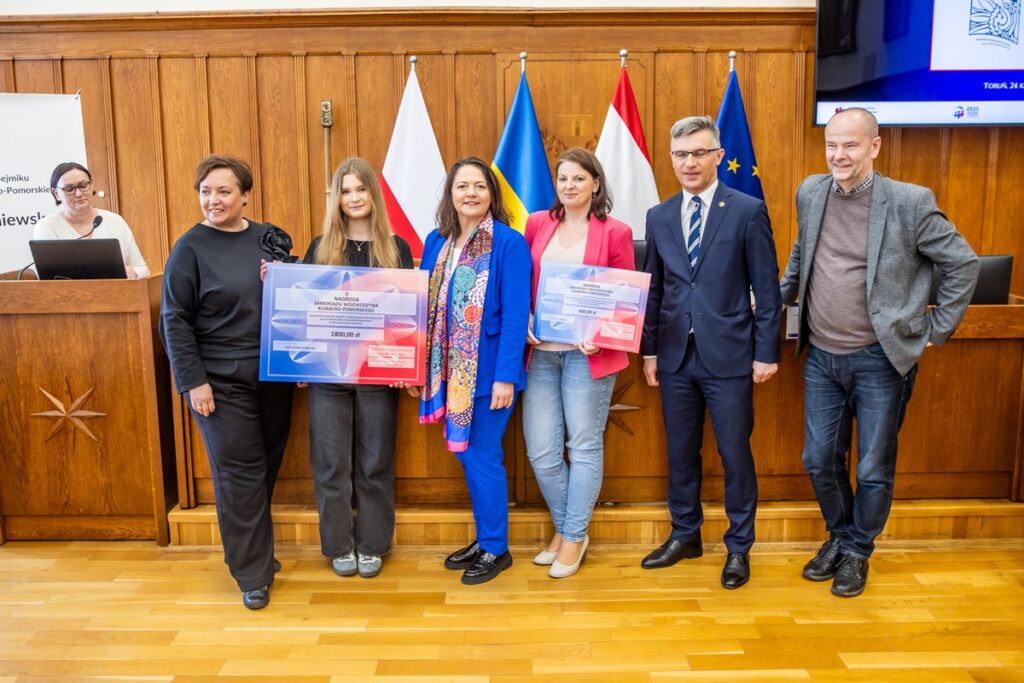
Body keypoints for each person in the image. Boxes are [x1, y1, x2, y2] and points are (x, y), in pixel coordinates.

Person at [780, 107, 979, 598]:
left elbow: (963, 264)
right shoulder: (811, 190)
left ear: (874, 146)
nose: (838, 155)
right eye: (832, 145)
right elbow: (804, 250)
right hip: (822, 356)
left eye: (850, 145)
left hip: (881, 360)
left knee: (872, 467)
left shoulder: (910, 202)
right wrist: (781, 294)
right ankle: (841, 534)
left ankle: (857, 551)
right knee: (818, 459)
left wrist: (935, 330)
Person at [640, 115, 781, 589]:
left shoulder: (746, 210)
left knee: (734, 454)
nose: (690, 162)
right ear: (672, 158)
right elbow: (655, 291)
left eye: (700, 153)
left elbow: (767, 287)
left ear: (718, 156)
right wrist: (650, 352)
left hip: (731, 357)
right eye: (681, 154)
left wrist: (767, 353)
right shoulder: (658, 216)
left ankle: (739, 548)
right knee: (681, 453)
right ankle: (686, 535)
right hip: (676, 356)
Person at [160, 154, 295, 610]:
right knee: (239, 473)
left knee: (266, 465)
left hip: (274, 376)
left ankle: (256, 552)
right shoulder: (190, 248)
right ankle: (252, 574)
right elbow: (174, 319)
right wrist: (193, 381)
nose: (212, 200)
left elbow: (294, 299)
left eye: (222, 191)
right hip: (218, 382)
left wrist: (283, 279)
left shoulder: (268, 238)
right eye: (205, 192)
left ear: (245, 196)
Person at [418, 156, 531, 585]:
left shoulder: (509, 243)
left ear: (491, 194)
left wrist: (506, 376)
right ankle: (486, 539)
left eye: (479, 186)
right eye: (462, 185)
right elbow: (424, 306)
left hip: (486, 378)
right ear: (451, 194)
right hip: (448, 374)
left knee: (482, 457)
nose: (471, 193)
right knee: (469, 458)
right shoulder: (436, 240)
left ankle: (497, 549)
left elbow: (518, 313)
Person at [522, 147, 635, 579]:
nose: (569, 186)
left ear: (596, 184)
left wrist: (601, 334)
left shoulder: (616, 232)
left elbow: (624, 300)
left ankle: (571, 538)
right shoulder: (537, 224)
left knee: (583, 447)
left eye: (578, 178)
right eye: (562, 178)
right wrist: (526, 320)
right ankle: (571, 530)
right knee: (542, 452)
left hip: (588, 358)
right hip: (542, 354)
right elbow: (523, 285)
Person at [298, 157, 413, 579]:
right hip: (329, 373)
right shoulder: (320, 247)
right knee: (331, 462)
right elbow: (306, 309)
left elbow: (406, 316)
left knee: (375, 459)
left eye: (360, 189)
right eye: (345, 191)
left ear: (373, 194)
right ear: (337, 198)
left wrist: (406, 365)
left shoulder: (396, 248)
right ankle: (339, 544)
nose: (353, 198)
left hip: (378, 373)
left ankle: (372, 543)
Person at [34, 161, 149, 279]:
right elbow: (47, 279)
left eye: (83, 185)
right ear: (56, 193)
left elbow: (143, 270)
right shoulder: (47, 227)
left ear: (92, 185)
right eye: (69, 189)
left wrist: (133, 272)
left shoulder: (115, 221)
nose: (78, 194)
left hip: (116, 294)